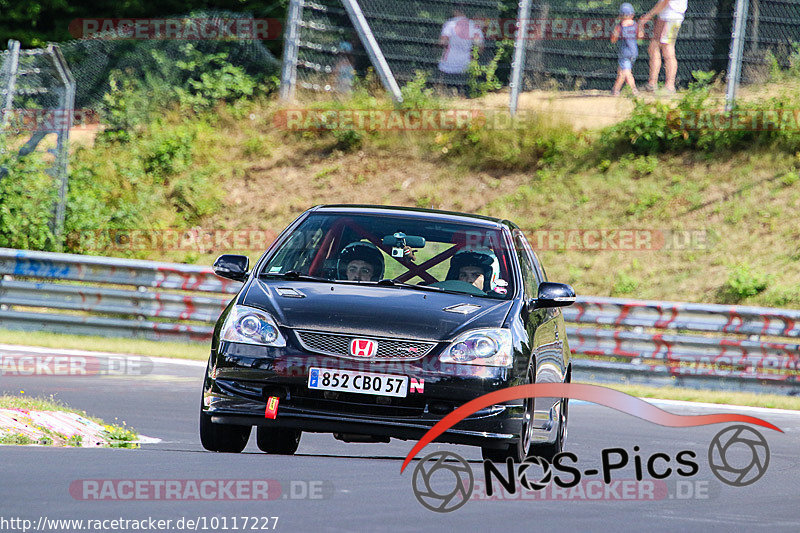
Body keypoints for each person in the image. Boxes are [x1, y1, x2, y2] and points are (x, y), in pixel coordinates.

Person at [639, 0, 687, 93]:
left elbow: (665, 1)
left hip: (671, 16)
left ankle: (669, 86)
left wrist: (648, 16)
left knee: (667, 49)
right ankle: (652, 84)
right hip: (665, 15)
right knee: (653, 47)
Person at [438, 5, 484, 86]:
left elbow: (442, 42)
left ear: (455, 11)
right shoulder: (473, 26)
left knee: (447, 87)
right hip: (465, 63)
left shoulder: (450, 24)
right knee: (462, 88)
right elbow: (480, 45)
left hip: (448, 63)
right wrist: (474, 58)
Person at [611, 3, 639, 96]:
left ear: (621, 15)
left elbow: (613, 39)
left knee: (626, 72)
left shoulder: (620, 25)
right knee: (621, 71)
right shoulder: (635, 25)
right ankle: (616, 90)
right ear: (632, 14)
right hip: (634, 52)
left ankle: (632, 89)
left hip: (625, 52)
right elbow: (640, 36)